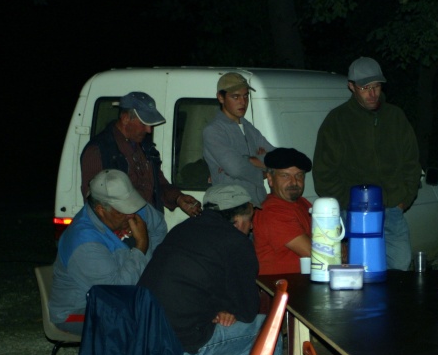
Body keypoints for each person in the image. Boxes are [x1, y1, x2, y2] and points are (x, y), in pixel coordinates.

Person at [138, 185, 287, 355]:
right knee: (268, 329)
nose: (251, 229)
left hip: (145, 341)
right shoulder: (236, 242)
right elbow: (247, 309)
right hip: (178, 350)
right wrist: (224, 307)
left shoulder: (183, 230)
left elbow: (193, 285)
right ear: (240, 220)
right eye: (250, 221)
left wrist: (218, 308)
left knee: (209, 326)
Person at [313, 57, 420, 270]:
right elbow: (324, 173)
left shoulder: (395, 116)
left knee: (400, 265)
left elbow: (412, 162)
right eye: (365, 88)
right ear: (351, 87)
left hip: (391, 209)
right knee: (360, 270)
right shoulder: (337, 121)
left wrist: (404, 198)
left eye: (376, 86)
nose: (372, 93)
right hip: (353, 212)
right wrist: (346, 204)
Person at [50, 169, 167, 334]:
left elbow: (158, 227)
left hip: (125, 297)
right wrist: (141, 246)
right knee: (144, 320)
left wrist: (153, 268)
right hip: (80, 309)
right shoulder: (83, 241)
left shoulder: (131, 209)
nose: (130, 214)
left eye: (131, 205)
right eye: (122, 211)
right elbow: (116, 292)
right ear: (101, 210)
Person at [81, 91, 201, 217]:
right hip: (124, 230)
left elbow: (159, 184)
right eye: (144, 123)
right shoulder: (98, 151)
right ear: (126, 118)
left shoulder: (145, 147)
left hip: (151, 223)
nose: (149, 130)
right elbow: (94, 202)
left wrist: (178, 198)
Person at [203, 72, 275, 207]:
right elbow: (236, 168)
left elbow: (278, 157)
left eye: (245, 96)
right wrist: (264, 172)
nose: (243, 102)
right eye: (235, 96)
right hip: (232, 207)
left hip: (258, 204)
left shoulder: (248, 127)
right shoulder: (213, 131)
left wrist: (254, 160)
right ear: (221, 97)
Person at [253, 147, 313, 275]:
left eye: (299, 175)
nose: (294, 182)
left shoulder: (303, 203)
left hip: (304, 284)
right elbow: (314, 252)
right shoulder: (272, 211)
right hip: (281, 288)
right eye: (285, 176)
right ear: (270, 179)